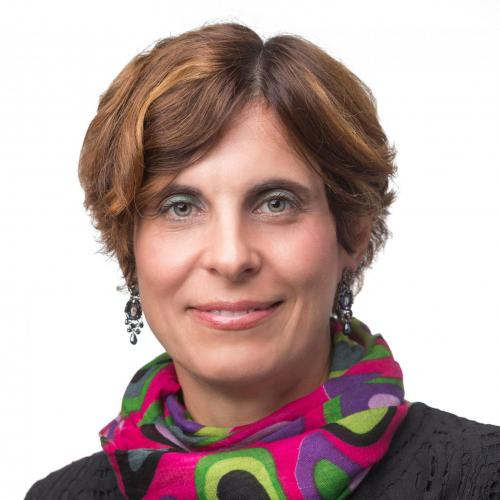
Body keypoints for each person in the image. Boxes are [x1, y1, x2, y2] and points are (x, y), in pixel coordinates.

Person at [25, 21, 500, 500]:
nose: (231, 258)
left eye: (276, 203)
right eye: (180, 207)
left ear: (353, 230)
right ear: (128, 247)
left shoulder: (481, 478)